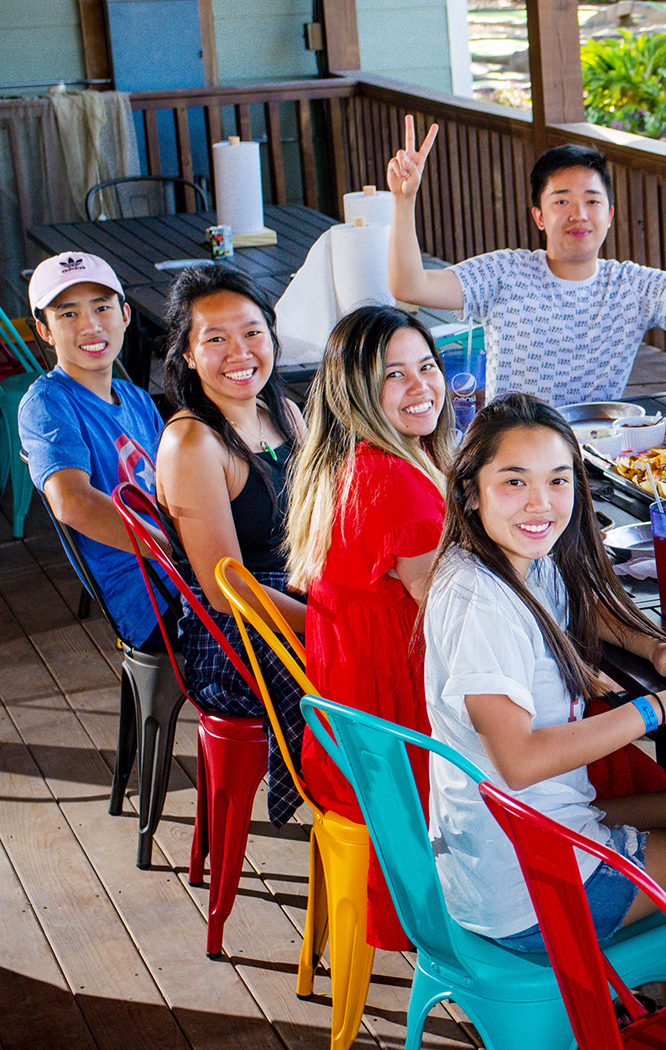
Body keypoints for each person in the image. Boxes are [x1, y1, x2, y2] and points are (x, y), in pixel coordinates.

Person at [421, 392, 666, 969]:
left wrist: (651, 643)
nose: (541, 503)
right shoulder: (482, 603)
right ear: (471, 491)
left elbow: (582, 605)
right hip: (524, 885)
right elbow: (519, 761)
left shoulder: (513, 558)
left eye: (558, 481)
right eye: (514, 482)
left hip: (511, 835)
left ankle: (662, 992)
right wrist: (658, 709)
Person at [284, 305, 454, 951]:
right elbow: (457, 625)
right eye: (394, 376)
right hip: (409, 753)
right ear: (355, 390)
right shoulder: (396, 485)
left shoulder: (350, 461)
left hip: (351, 735)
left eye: (428, 366)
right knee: (611, 758)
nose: (421, 388)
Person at [385, 116, 666, 405]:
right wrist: (404, 201)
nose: (579, 215)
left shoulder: (631, 286)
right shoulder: (505, 272)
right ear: (539, 216)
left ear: (610, 214)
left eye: (591, 200)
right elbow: (409, 285)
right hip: (510, 454)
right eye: (561, 201)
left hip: (592, 457)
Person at [154, 264, 308, 825]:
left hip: (292, 592)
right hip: (230, 635)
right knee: (359, 666)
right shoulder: (193, 441)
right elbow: (227, 589)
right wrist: (323, 625)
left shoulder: (283, 412)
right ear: (188, 355)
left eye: (251, 332)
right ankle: (353, 804)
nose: (239, 351)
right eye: (214, 339)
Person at [17, 252, 168, 650]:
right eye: (68, 314)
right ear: (45, 330)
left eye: (102, 307)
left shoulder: (136, 398)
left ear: (124, 315)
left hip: (185, 576)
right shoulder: (48, 403)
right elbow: (73, 502)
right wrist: (175, 551)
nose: (90, 325)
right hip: (150, 599)